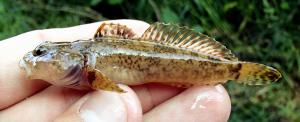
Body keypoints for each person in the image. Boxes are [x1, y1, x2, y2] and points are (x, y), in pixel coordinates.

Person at [0, 19, 231, 122]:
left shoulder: (89, 67)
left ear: (74, 58)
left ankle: (233, 70)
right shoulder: (84, 63)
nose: (33, 58)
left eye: (41, 53)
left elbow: (104, 86)